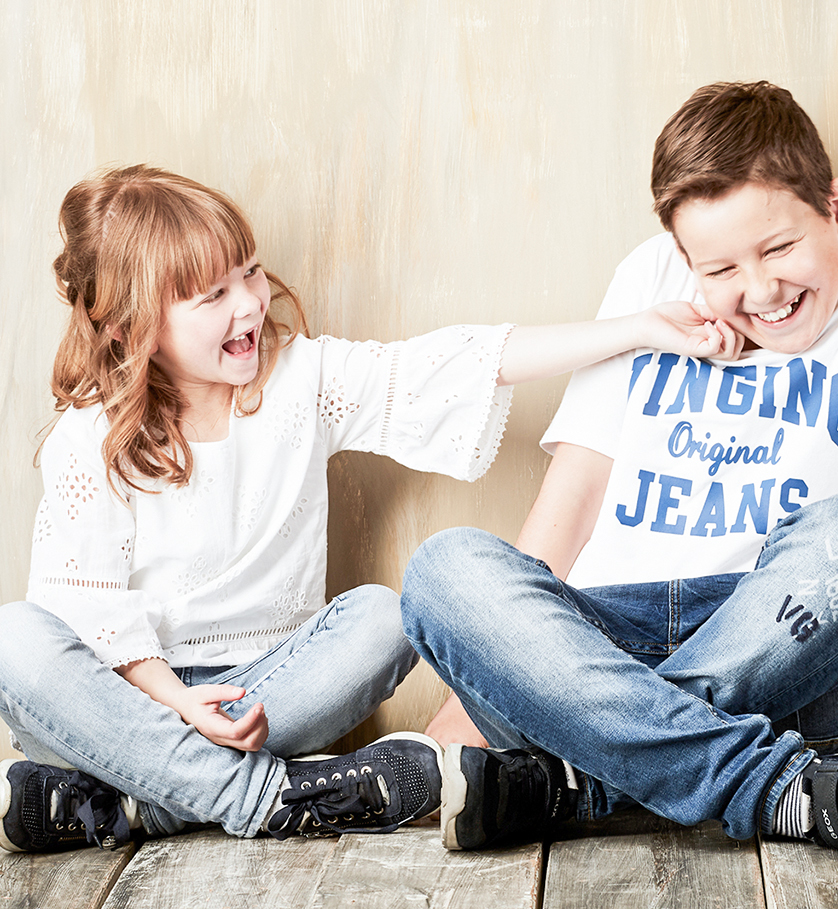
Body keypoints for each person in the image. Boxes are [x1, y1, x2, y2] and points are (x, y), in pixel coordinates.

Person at [0, 165, 738, 853]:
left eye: (249, 271)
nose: (251, 302)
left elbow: (458, 362)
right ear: (131, 327)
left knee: (387, 615)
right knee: (13, 637)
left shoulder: (300, 382)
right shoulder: (89, 437)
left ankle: (133, 801)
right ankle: (259, 796)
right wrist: (178, 706)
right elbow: (88, 612)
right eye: (212, 296)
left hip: (268, 694)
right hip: (127, 695)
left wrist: (639, 328)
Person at [402, 81, 838, 857]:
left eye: (779, 248)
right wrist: (473, 698)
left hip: (778, 654)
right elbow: (569, 504)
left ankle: (579, 779)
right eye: (721, 267)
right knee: (444, 569)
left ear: (837, 209)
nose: (762, 290)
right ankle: (773, 788)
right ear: (680, 256)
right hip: (589, 652)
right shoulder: (648, 284)